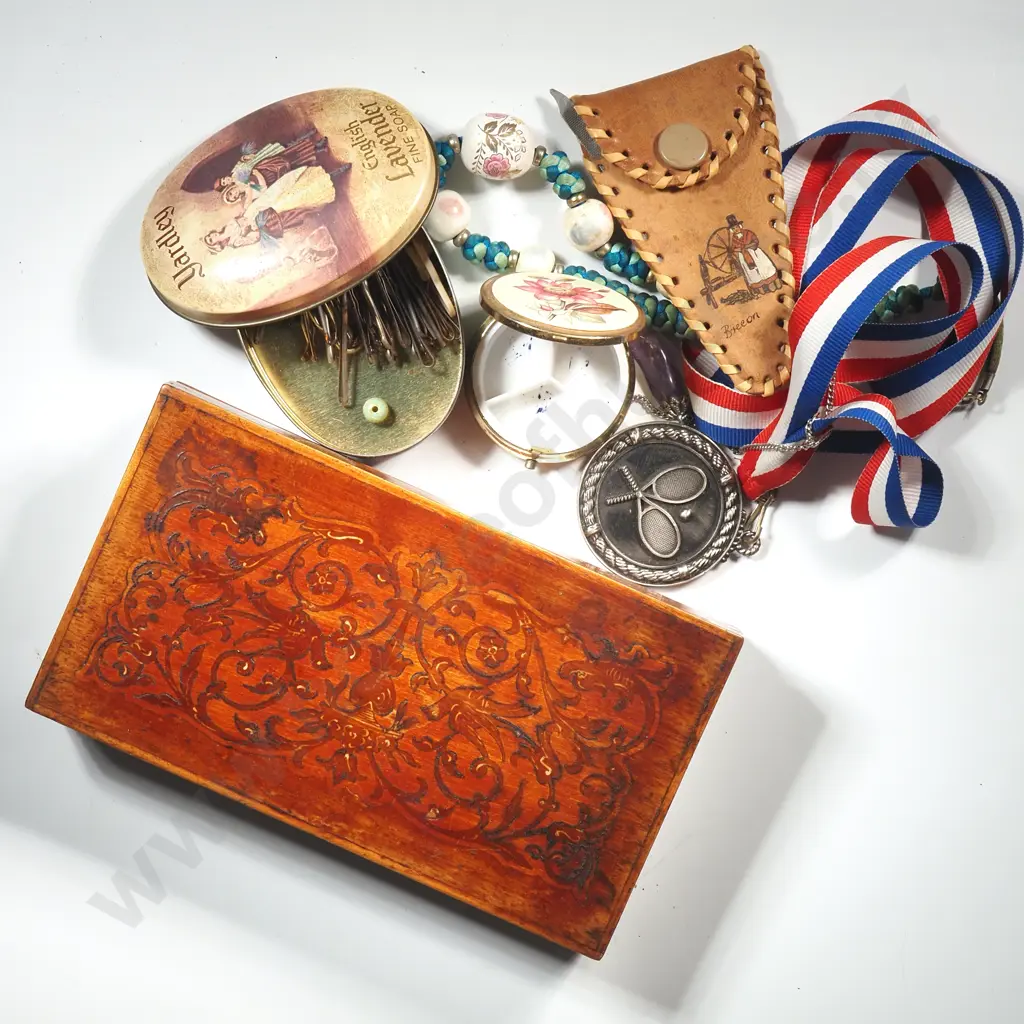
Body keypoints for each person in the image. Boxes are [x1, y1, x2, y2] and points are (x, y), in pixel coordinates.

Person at [725, 214, 780, 295]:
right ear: (732, 230)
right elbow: (734, 248)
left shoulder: (748, 233)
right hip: (744, 256)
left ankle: (774, 285)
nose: (736, 229)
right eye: (733, 228)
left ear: (740, 226)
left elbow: (755, 241)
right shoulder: (734, 239)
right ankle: (762, 290)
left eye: (736, 227)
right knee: (753, 273)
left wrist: (747, 246)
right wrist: (739, 250)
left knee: (763, 267)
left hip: (755, 253)